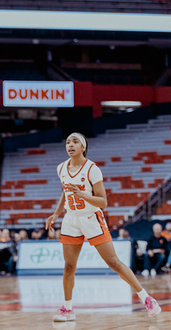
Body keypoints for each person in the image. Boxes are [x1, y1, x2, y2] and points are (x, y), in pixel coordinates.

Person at [45, 132, 160, 322]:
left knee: (113, 262)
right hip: (71, 219)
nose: (70, 145)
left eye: (75, 142)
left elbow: (103, 202)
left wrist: (82, 195)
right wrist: (56, 213)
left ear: (83, 147)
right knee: (68, 266)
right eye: (67, 142)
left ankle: (146, 298)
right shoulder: (61, 168)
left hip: (91, 218)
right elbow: (65, 192)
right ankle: (68, 309)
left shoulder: (92, 169)